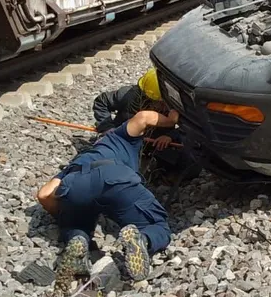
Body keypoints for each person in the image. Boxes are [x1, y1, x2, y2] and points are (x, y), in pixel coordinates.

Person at [35, 109, 181, 281]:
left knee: (75, 226)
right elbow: (144, 117)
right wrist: (171, 121)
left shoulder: (78, 160)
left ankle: (78, 239)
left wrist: (65, 215)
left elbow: (44, 195)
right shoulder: (118, 136)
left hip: (76, 182)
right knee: (159, 224)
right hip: (116, 177)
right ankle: (142, 239)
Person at [93, 67, 162, 133]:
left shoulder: (170, 104)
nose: (161, 105)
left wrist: (169, 136)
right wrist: (107, 128)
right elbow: (102, 102)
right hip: (123, 134)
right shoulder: (127, 95)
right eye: (159, 102)